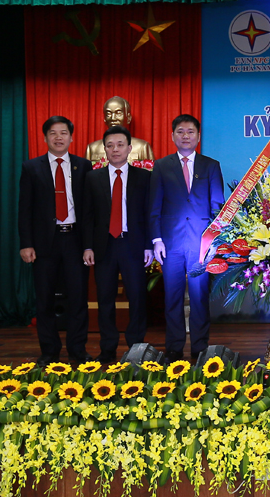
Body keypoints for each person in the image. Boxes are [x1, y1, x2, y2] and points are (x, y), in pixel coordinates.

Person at [18, 116, 93, 367]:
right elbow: (25, 209)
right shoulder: (31, 167)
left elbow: (89, 210)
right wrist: (26, 243)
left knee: (78, 297)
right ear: (45, 138)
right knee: (45, 298)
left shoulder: (83, 166)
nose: (58, 137)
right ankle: (49, 351)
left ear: (71, 137)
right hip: (44, 243)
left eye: (63, 133)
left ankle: (77, 350)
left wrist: (88, 245)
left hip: (74, 239)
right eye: (53, 133)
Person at [150, 114, 224, 363]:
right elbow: (154, 206)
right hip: (170, 242)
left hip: (200, 243)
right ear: (172, 136)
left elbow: (218, 206)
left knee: (200, 296)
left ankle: (200, 347)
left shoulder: (210, 166)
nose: (185, 136)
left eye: (190, 131)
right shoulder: (162, 166)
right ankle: (173, 347)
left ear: (198, 136)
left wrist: (214, 241)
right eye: (180, 131)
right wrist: (156, 240)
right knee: (172, 296)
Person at [83, 126, 153, 363]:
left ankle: (136, 348)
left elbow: (149, 213)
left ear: (129, 148)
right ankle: (107, 348)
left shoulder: (144, 177)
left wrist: (149, 245)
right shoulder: (93, 178)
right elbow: (87, 216)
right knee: (105, 300)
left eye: (120, 145)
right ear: (104, 149)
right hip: (104, 246)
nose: (115, 149)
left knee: (137, 298)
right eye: (110, 145)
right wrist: (88, 246)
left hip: (133, 244)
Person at [85, 96, 155, 164]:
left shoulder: (142, 147)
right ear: (104, 119)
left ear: (128, 118)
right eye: (108, 114)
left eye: (118, 113)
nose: (113, 118)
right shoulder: (92, 149)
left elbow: (151, 170)